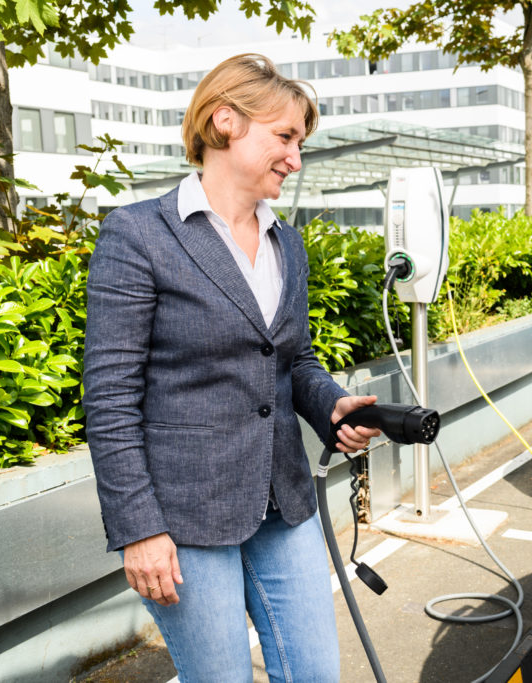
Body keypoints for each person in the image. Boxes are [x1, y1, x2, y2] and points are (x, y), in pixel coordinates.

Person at [82, 53, 379, 682]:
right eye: (285, 137)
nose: (296, 158)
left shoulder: (286, 243)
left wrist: (331, 405)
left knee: (317, 675)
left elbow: (293, 358)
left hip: (284, 502)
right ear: (225, 122)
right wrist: (138, 529)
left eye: (300, 143)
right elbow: (109, 397)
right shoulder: (139, 235)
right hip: (183, 518)